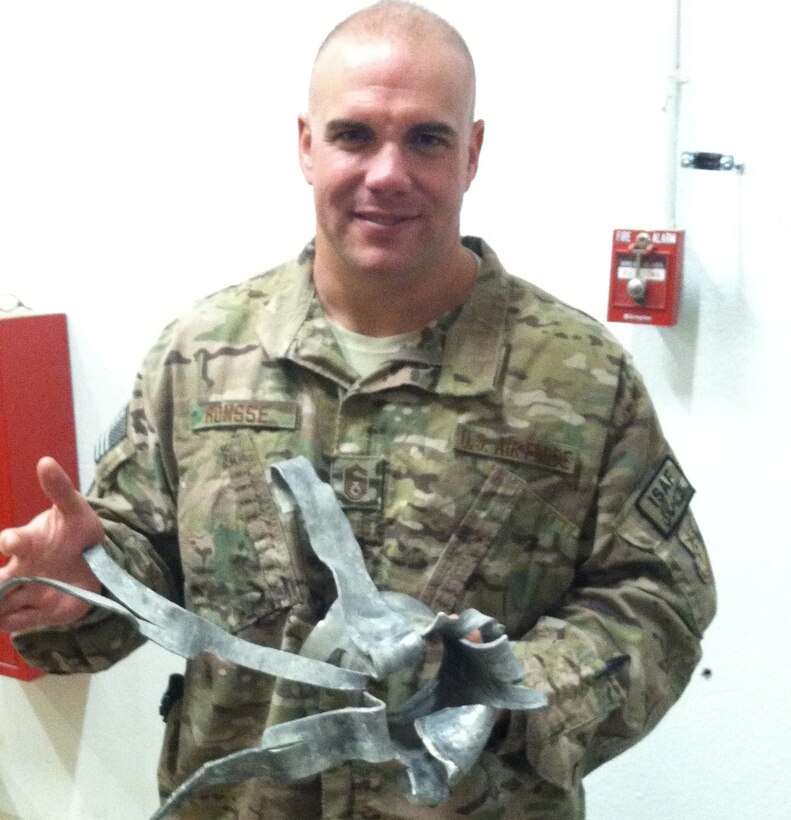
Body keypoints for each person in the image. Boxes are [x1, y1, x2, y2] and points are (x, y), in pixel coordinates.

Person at [0, 2, 716, 818]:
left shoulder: (582, 378)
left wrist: (509, 691)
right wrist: (82, 587)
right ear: (305, 144)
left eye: (425, 138)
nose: (387, 173)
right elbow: (145, 561)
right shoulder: (198, 356)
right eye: (353, 136)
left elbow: (660, 600)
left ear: (471, 152)